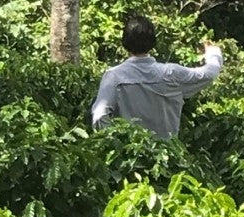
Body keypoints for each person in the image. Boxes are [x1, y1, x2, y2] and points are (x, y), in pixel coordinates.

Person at [90, 14, 223, 140]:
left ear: (125, 42)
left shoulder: (114, 76)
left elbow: (99, 115)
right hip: (166, 156)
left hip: (128, 158)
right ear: (153, 42)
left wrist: (117, 143)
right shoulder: (171, 74)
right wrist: (213, 52)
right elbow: (209, 74)